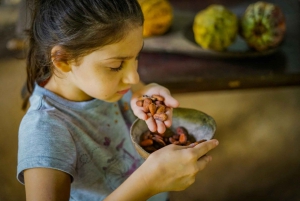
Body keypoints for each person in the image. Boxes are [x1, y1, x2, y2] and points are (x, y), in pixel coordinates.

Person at [17, 0, 219, 200]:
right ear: (63, 60)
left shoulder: (106, 85)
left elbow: (136, 84)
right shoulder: (43, 132)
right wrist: (147, 183)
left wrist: (143, 92)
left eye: (136, 57)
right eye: (116, 65)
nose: (134, 77)